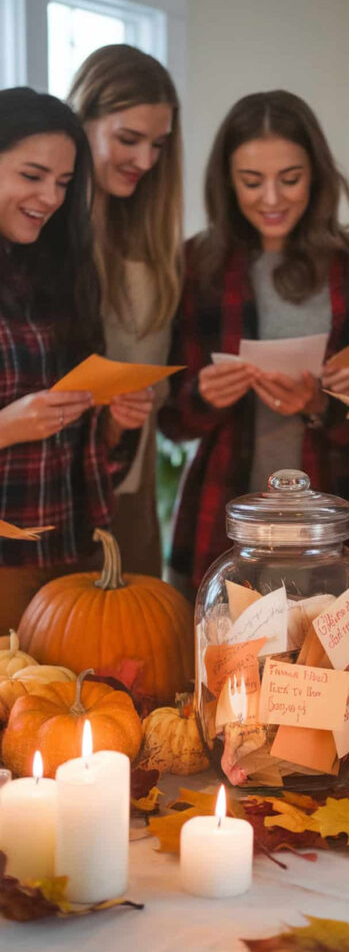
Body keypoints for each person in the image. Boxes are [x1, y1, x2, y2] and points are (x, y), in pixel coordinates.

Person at [160, 89, 349, 601]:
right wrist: (204, 395)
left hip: (333, 528)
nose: (271, 198)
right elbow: (173, 421)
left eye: (290, 179)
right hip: (224, 516)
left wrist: (324, 406)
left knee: (328, 672)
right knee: (221, 673)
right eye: (251, 181)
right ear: (227, 182)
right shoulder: (198, 267)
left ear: (317, 174)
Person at [0, 87, 152, 629]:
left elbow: (81, 436)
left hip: (75, 547)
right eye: (32, 175)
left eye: (64, 183)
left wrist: (114, 421)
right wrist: (6, 428)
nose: (51, 197)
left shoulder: (60, 269)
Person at [68, 44, 183, 576]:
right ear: (80, 120)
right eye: (128, 140)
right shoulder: (46, 236)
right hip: (51, 489)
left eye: (157, 144)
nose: (145, 161)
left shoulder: (153, 239)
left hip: (128, 485)